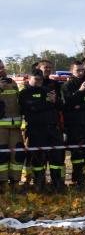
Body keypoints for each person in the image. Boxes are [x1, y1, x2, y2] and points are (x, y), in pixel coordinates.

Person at [19, 70, 64, 191]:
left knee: (56, 158)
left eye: (40, 79)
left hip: (52, 129)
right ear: (29, 78)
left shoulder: (48, 90)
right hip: (35, 130)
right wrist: (46, 103)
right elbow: (30, 107)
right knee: (37, 158)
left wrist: (55, 101)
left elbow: (61, 106)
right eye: (36, 79)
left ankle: (57, 184)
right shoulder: (24, 93)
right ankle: (39, 184)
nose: (39, 81)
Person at [0, 60, 25, 190]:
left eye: (2, 67)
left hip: (15, 126)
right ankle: (3, 183)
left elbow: (20, 101)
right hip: (0, 128)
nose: (1, 70)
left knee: (18, 154)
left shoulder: (13, 82)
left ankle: (15, 181)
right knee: (1, 155)